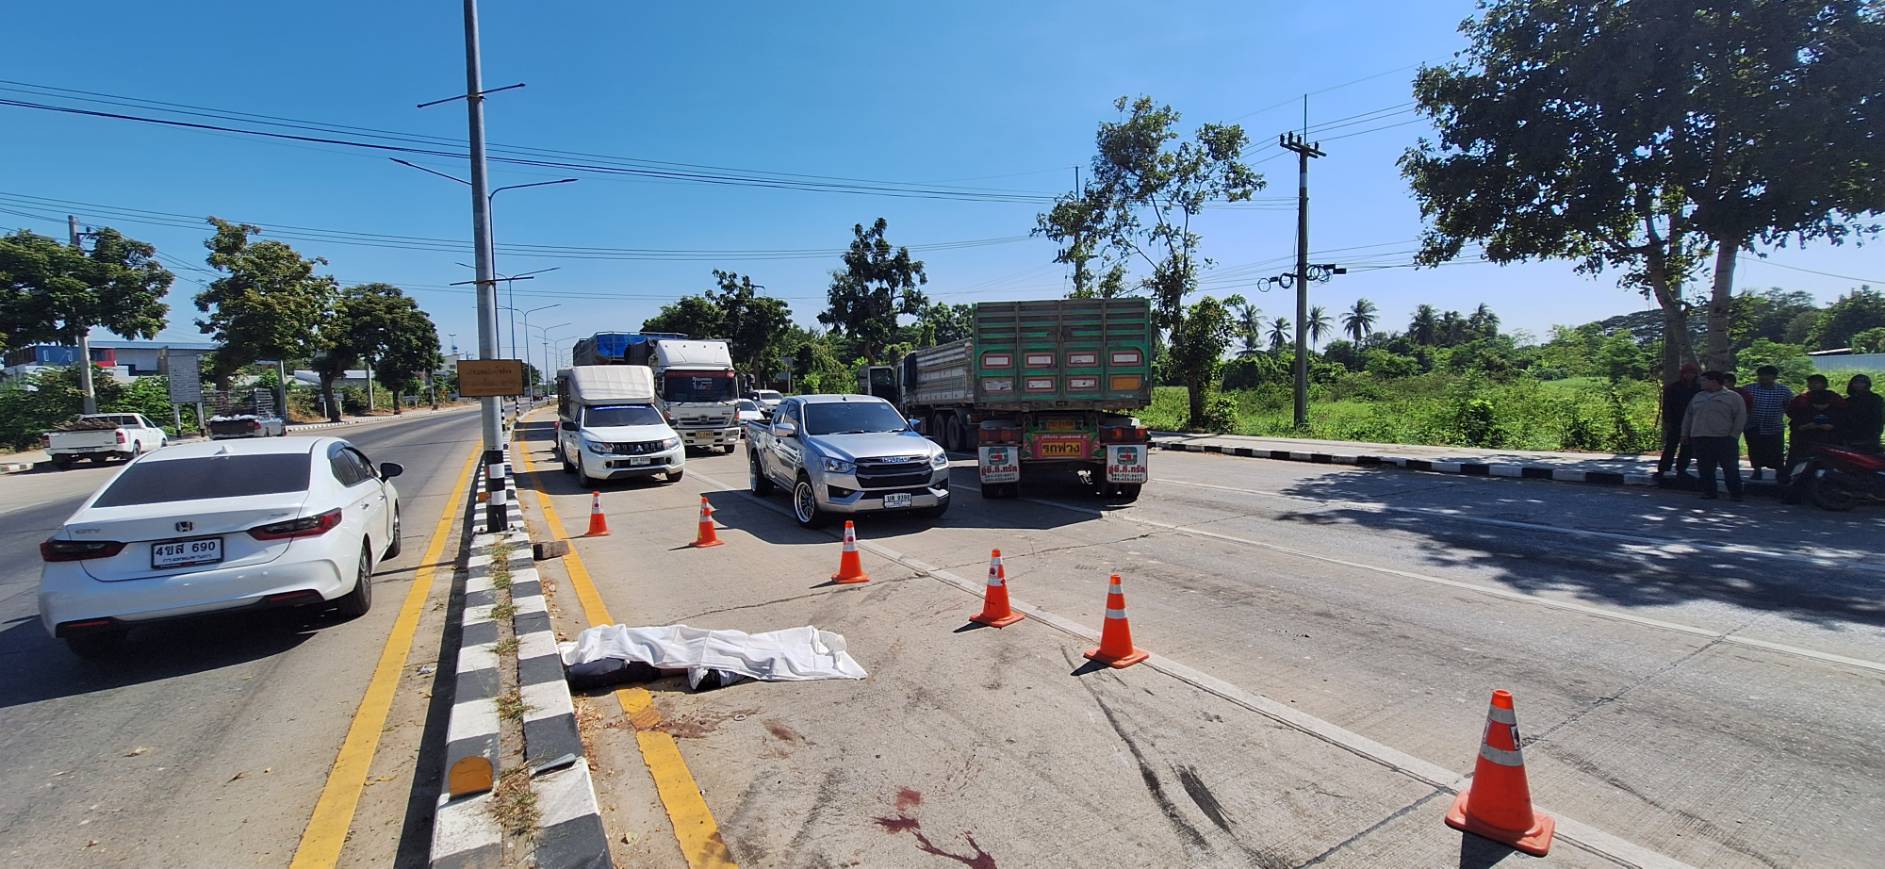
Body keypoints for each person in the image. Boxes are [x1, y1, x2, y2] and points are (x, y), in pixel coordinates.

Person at [1682, 370, 1747, 501]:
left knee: (1730, 468)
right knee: (1705, 468)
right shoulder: (1698, 396)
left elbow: (1740, 417)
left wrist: (1734, 435)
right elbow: (1688, 416)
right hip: (1701, 437)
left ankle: (1736, 493)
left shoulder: (1733, 397)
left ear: (1714, 381)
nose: (1701, 383)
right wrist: (1685, 433)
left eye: (1704, 380)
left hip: (1724, 438)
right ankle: (1709, 492)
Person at [1742, 365, 1793, 482]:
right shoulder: (1749, 389)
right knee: (1755, 449)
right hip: (1753, 425)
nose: (1763, 377)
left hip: (1774, 427)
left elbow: (1790, 407)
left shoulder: (1784, 390)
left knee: (1776, 451)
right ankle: (1757, 470)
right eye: (1761, 375)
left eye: (1767, 375)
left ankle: (1779, 473)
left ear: (1774, 377)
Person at [1786, 374, 1847, 469]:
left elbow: (1844, 417)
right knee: (1798, 461)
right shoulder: (1801, 399)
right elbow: (1793, 415)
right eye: (1811, 383)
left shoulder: (1835, 399)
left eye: (1816, 383)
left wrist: (1833, 426)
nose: (1813, 385)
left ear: (1824, 384)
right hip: (1805, 438)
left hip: (1829, 438)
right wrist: (1804, 426)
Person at [1656, 363, 1701, 477]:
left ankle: (1682, 469)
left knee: (1687, 447)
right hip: (1675, 420)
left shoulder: (1698, 389)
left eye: (1692, 373)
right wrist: (1667, 421)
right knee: (1671, 445)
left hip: (1692, 421)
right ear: (1683, 374)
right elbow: (1666, 406)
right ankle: (1663, 469)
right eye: (1687, 373)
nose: (1689, 376)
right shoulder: (1673, 388)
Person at [1843, 374, 1882, 453]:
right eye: (1856, 382)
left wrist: (1876, 433)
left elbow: (1879, 417)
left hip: (1870, 435)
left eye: (1861, 382)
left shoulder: (1875, 398)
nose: (1858, 385)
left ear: (1867, 384)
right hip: (1851, 435)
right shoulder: (1848, 401)